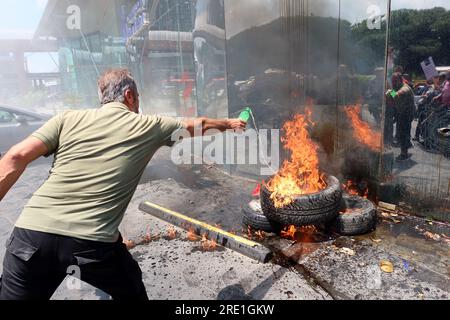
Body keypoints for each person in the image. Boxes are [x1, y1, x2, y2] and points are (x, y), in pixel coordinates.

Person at [0, 69, 246, 300]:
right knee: (131, 289)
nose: (138, 103)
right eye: (137, 97)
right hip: (90, 244)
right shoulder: (150, 125)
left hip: (29, 236)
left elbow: (15, 157)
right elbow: (197, 125)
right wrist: (228, 123)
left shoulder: (66, 118)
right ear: (129, 95)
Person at [387, 72, 415, 161]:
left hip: (407, 113)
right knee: (402, 131)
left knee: (403, 132)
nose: (393, 83)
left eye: (395, 81)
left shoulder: (404, 88)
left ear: (399, 80)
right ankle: (407, 144)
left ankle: (404, 153)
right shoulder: (398, 86)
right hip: (401, 112)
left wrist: (390, 92)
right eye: (393, 81)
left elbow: (398, 94)